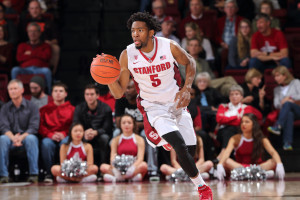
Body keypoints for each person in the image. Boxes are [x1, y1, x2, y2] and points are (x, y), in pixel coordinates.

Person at [107, 12, 212, 199]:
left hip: (177, 104)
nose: (135, 34)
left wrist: (187, 88)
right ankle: (203, 188)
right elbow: (118, 93)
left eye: (140, 30)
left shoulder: (168, 46)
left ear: (151, 32)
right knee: (178, 144)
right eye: (133, 31)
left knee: (189, 153)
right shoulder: (127, 54)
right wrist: (107, 78)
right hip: (153, 106)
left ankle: (164, 140)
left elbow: (190, 63)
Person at [216, 113, 285, 181]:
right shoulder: (235, 138)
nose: (243, 124)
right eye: (242, 122)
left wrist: (279, 164)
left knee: (273, 161)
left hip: (258, 166)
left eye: (247, 122)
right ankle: (260, 174)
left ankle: (244, 174)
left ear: (254, 124)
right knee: (226, 161)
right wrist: (220, 164)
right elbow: (226, 152)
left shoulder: (262, 139)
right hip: (240, 166)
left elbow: (273, 152)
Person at [0, 79, 39, 183]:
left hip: (26, 136)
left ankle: (33, 174)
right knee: (2, 139)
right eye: (10, 89)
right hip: (10, 137)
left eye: (15, 88)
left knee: (31, 139)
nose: (12, 91)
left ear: (22, 90)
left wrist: (20, 138)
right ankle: (3, 175)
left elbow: (33, 127)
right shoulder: (5, 108)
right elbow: (3, 127)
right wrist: (13, 138)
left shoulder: (32, 106)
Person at [39, 81, 75, 182]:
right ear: (52, 94)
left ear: (66, 94)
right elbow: (41, 126)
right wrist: (50, 134)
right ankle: (49, 174)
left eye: (61, 91)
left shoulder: (72, 109)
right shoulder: (44, 110)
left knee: (65, 143)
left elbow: (75, 125)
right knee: (46, 144)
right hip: (50, 136)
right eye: (55, 91)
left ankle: (65, 172)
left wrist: (65, 133)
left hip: (66, 135)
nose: (58, 93)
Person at [216, 84, 262, 158]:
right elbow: (219, 119)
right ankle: (224, 154)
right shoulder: (223, 106)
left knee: (230, 129)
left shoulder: (246, 108)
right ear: (229, 97)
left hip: (238, 131)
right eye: (232, 94)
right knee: (228, 130)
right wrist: (235, 117)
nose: (234, 96)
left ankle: (223, 153)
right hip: (222, 132)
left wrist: (227, 120)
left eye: (237, 94)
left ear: (241, 96)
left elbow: (241, 122)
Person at [73, 83, 113, 166]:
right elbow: (75, 125)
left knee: (104, 138)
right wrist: (84, 133)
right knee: (75, 137)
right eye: (87, 94)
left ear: (97, 95)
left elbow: (108, 128)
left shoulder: (106, 108)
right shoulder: (79, 108)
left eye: (92, 94)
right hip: (84, 134)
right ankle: (79, 166)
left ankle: (103, 166)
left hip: (100, 134)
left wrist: (96, 132)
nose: (89, 97)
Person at [100, 114, 148, 182]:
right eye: (124, 123)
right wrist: (116, 170)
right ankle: (127, 178)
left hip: (133, 167)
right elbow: (112, 158)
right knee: (103, 167)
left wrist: (132, 168)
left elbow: (140, 158)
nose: (126, 125)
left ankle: (120, 178)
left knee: (144, 165)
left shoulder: (139, 139)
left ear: (133, 125)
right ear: (120, 125)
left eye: (129, 123)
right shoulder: (115, 140)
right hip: (119, 167)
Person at [19, 0, 60, 75]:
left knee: (55, 48)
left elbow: (56, 39)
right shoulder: (24, 22)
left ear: (41, 9)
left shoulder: (49, 22)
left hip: (45, 46)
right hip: (29, 46)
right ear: (29, 10)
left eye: (36, 8)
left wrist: (49, 42)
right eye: (32, 8)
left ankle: (53, 74)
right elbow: (20, 39)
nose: (34, 11)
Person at [11, 22, 52, 94]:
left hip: (40, 69)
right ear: (27, 33)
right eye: (30, 31)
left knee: (47, 71)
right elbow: (19, 58)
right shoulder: (22, 45)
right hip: (25, 69)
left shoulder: (46, 45)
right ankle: (15, 93)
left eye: (35, 31)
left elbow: (46, 57)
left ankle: (49, 93)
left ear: (39, 33)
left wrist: (30, 53)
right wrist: (38, 54)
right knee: (15, 70)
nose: (32, 33)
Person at [268, 66, 300, 150]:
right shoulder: (276, 89)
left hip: (298, 109)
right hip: (288, 112)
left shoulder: (296, 82)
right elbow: (276, 104)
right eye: (274, 76)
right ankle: (287, 143)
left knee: (288, 103)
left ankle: (278, 126)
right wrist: (286, 101)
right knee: (289, 114)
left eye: (278, 75)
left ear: (285, 75)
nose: (276, 78)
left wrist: (290, 97)